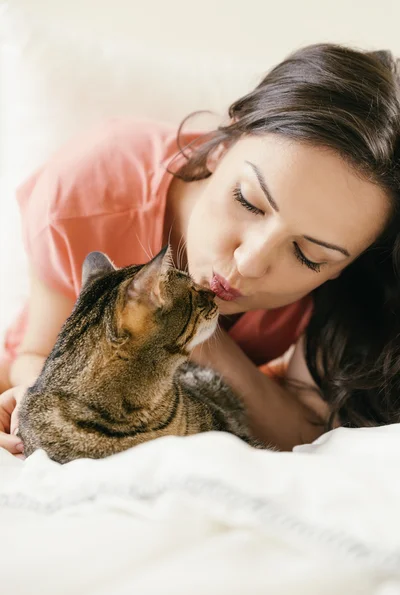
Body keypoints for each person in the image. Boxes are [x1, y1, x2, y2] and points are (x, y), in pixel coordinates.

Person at [1, 43, 400, 458]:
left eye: (308, 255)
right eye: (248, 202)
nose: (248, 262)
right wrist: (40, 403)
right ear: (223, 144)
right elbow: (34, 353)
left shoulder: (354, 286)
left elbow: (304, 430)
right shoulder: (87, 196)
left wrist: (193, 335)